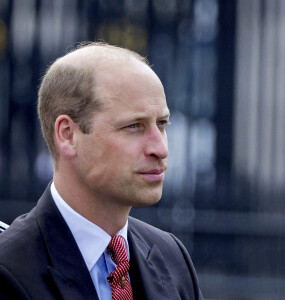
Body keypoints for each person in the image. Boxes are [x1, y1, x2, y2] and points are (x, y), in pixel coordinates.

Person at [0, 42, 203, 299]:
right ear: (68, 135)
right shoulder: (10, 272)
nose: (160, 149)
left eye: (161, 124)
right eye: (134, 126)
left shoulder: (171, 256)